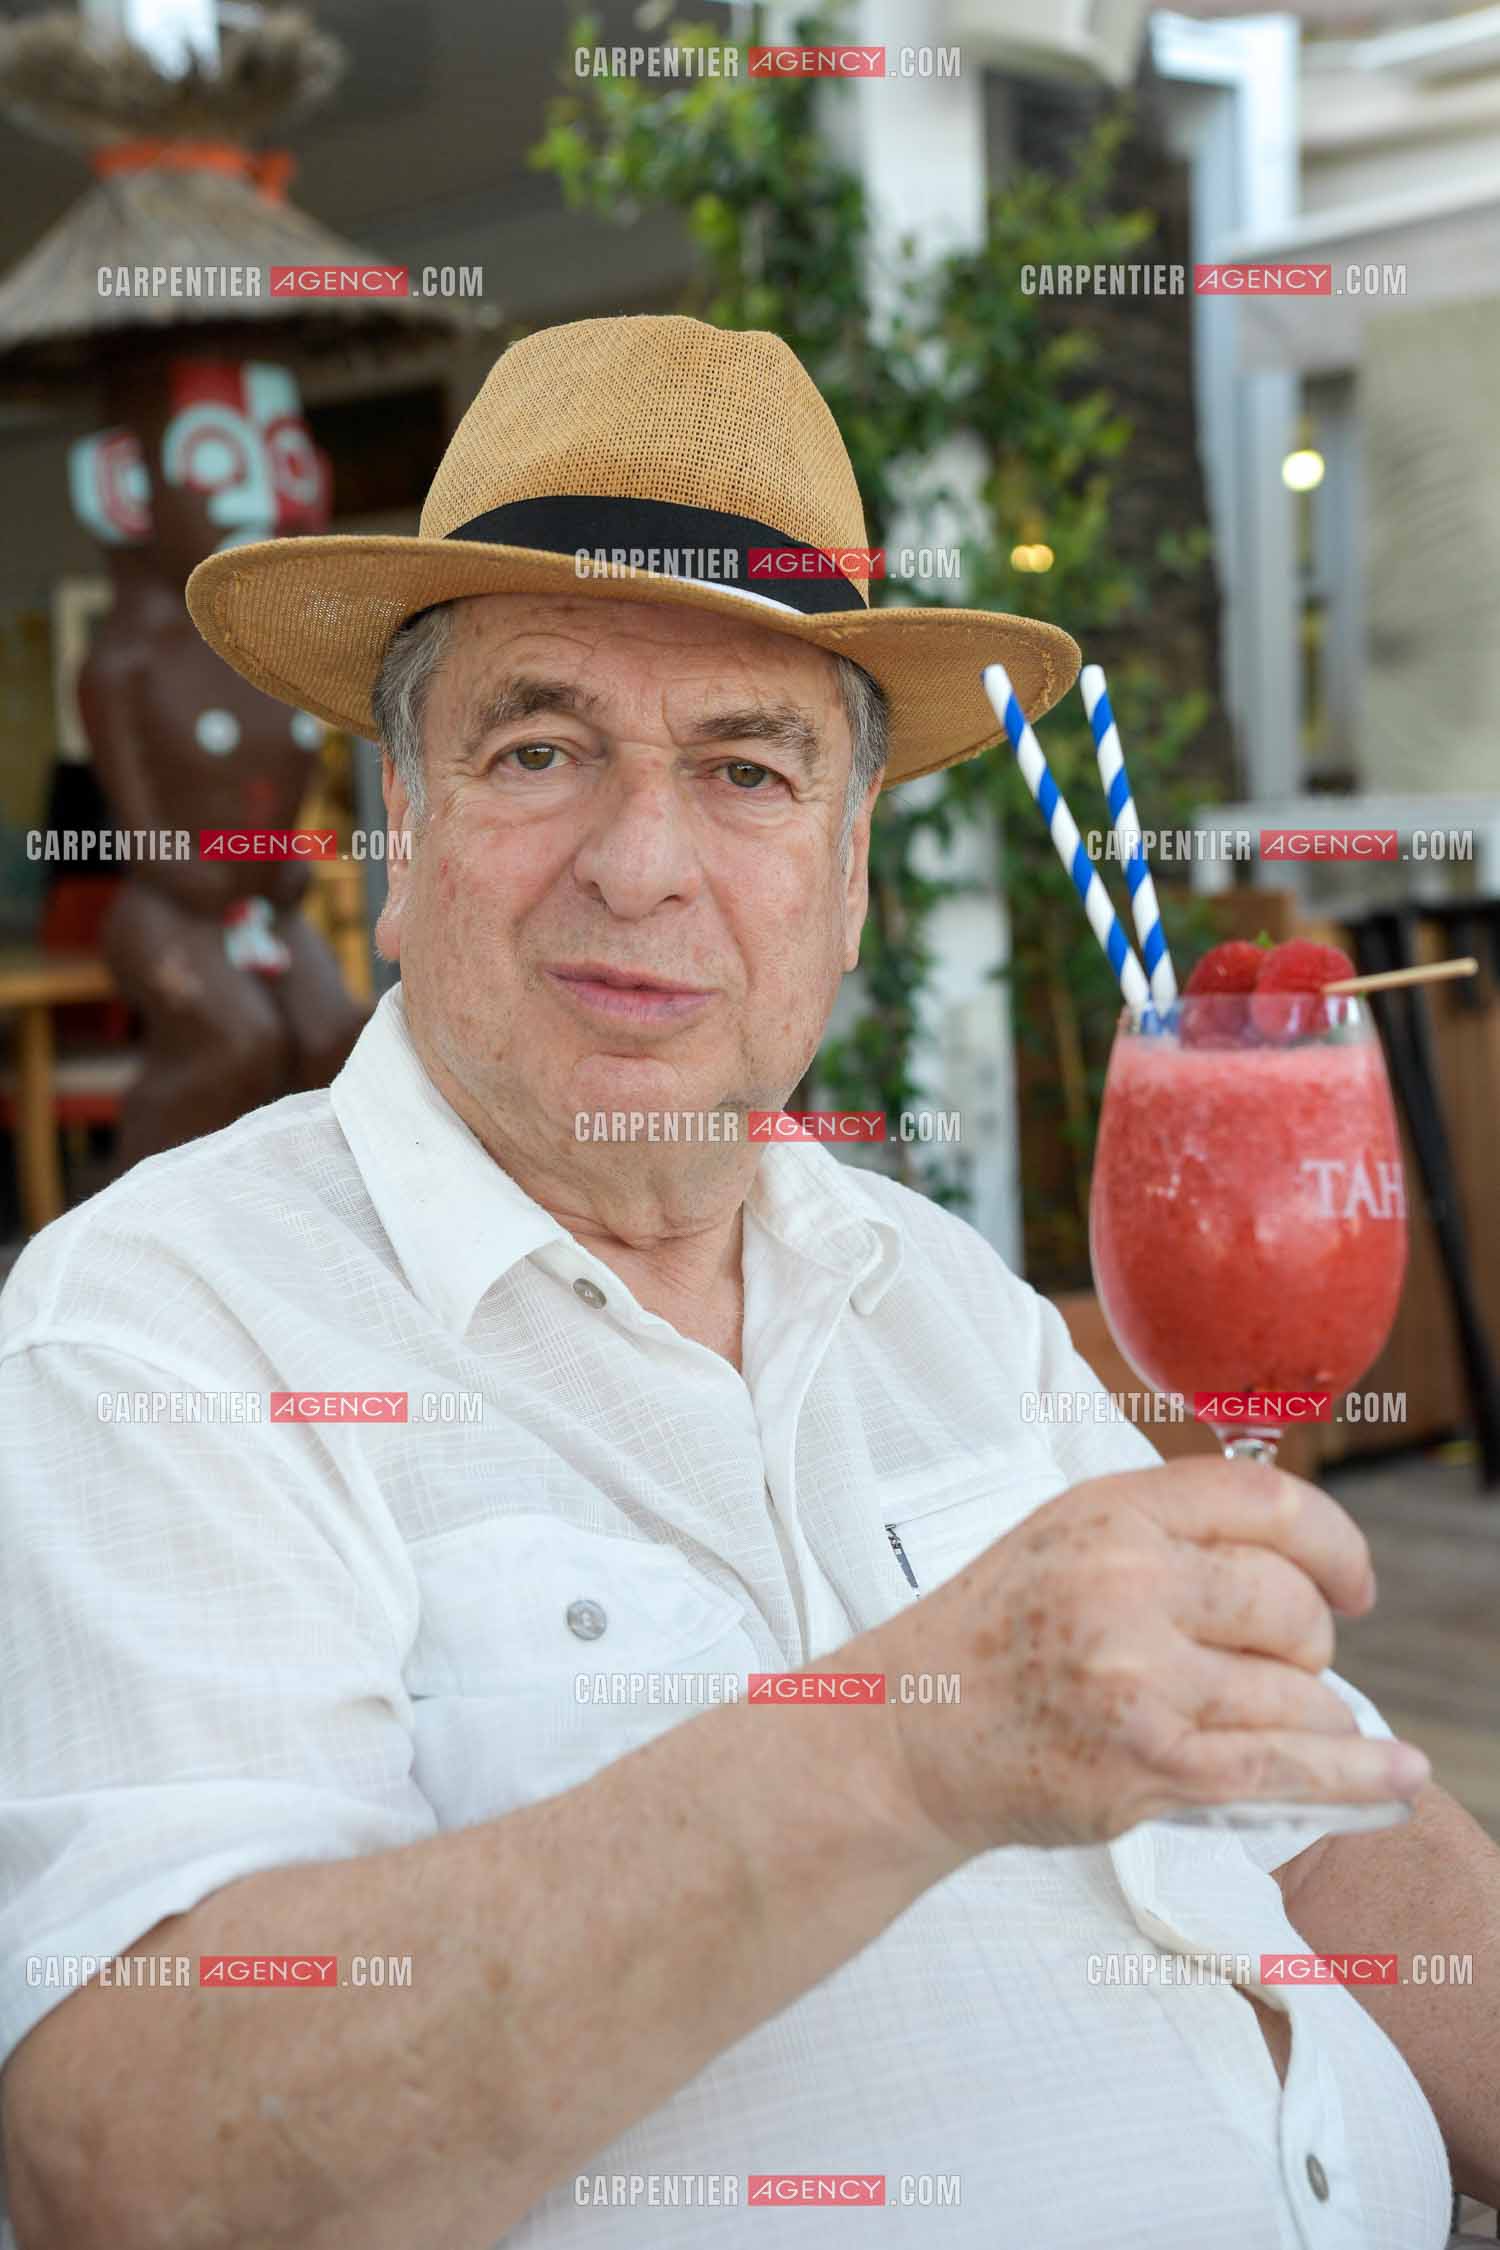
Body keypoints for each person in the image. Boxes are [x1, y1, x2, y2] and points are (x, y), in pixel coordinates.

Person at [0, 315, 1494, 2250]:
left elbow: (1307, 1828)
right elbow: (139, 2151)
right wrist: (920, 1734)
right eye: (540, 747)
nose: (642, 862)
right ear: (395, 821)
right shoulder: (162, 1329)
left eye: (748, 770)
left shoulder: (938, 1288)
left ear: (853, 867)